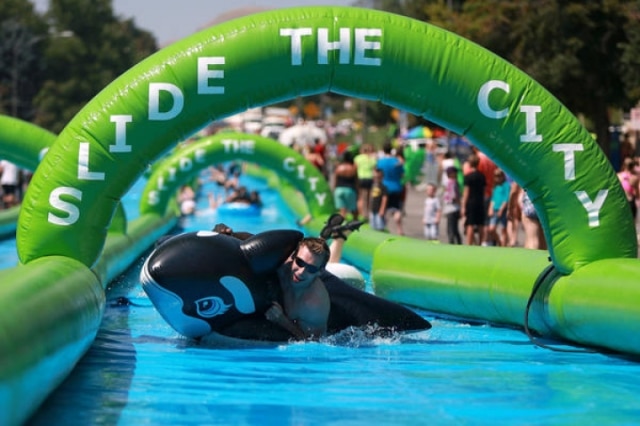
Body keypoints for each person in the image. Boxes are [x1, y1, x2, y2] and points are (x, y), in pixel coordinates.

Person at [212, 223, 331, 340]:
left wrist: (282, 320)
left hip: (290, 323)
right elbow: (255, 244)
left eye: (311, 269)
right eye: (300, 262)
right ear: (293, 256)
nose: (301, 272)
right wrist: (230, 234)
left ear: (320, 272)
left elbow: (311, 344)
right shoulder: (283, 262)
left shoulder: (314, 305)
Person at [376, 142, 405, 235]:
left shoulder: (380, 161)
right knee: (396, 209)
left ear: (383, 150)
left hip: (384, 187)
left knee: (384, 209)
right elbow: (402, 174)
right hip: (396, 187)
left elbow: (378, 174)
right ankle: (399, 229)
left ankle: (384, 227)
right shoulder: (396, 161)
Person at [461, 154, 486, 245]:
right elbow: (483, 190)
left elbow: (466, 192)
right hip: (480, 201)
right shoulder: (482, 176)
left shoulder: (468, 177)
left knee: (470, 224)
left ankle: (469, 243)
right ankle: (481, 242)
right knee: (480, 224)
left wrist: (463, 205)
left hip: (471, 202)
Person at [486, 169, 510, 246]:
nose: (498, 178)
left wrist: (501, 209)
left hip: (502, 209)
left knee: (503, 229)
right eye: (496, 176)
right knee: (491, 228)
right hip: (495, 209)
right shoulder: (495, 186)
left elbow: (506, 199)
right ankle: (499, 241)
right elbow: (493, 199)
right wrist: (490, 208)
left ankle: (504, 244)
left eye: (499, 176)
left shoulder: (506, 185)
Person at [332, 150, 359, 220]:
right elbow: (356, 181)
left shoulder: (339, 168)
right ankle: (355, 223)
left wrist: (333, 190)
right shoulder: (353, 168)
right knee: (353, 210)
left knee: (342, 211)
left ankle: (341, 225)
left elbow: (335, 181)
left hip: (339, 190)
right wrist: (358, 191)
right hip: (350, 190)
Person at [354, 143, 378, 218]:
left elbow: (355, 169)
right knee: (368, 197)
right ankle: (367, 213)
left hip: (361, 178)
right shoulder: (371, 158)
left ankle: (361, 213)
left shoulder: (357, 158)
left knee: (361, 197)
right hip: (369, 178)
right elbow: (374, 169)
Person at [442, 166, 462, 244]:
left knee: (451, 229)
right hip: (453, 208)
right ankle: (457, 243)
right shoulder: (453, 182)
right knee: (454, 228)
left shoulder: (451, 182)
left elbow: (454, 196)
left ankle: (452, 243)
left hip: (452, 208)